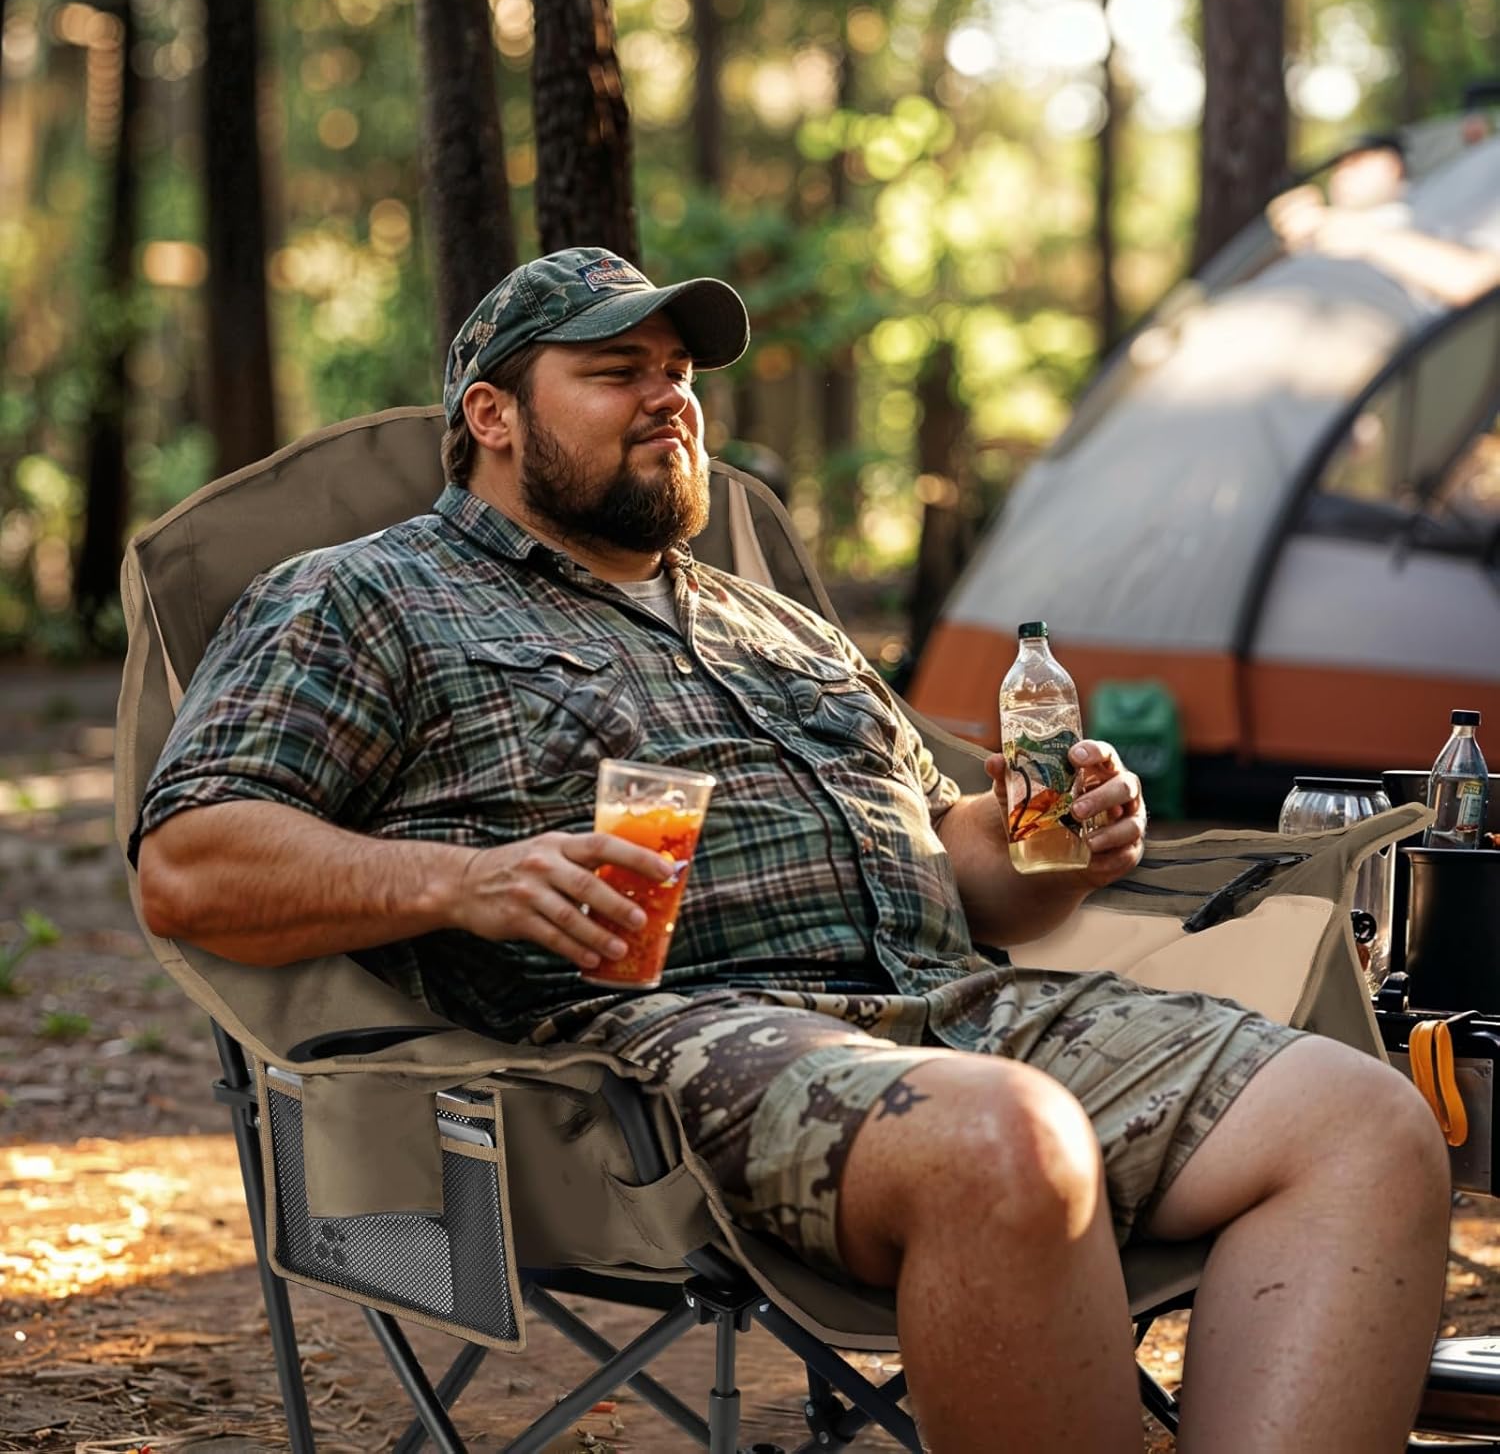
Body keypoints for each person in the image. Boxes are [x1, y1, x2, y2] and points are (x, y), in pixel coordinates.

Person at [134, 247, 1450, 1454]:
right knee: (1000, 1139)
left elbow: (961, 872)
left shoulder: (777, 626)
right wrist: (468, 881)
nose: (669, 399)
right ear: (493, 415)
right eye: (616, 372)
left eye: (678, 374)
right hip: (642, 1060)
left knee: (1364, 1122)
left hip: (959, 1015)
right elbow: (190, 862)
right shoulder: (366, 597)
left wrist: (1056, 851)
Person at [1268, 131, 1500, 308]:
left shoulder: (1430, 210)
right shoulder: (1324, 224)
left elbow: (1472, 279)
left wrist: (1361, 235)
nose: (1343, 173)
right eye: (1338, 167)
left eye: (1356, 161)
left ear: (1393, 165)